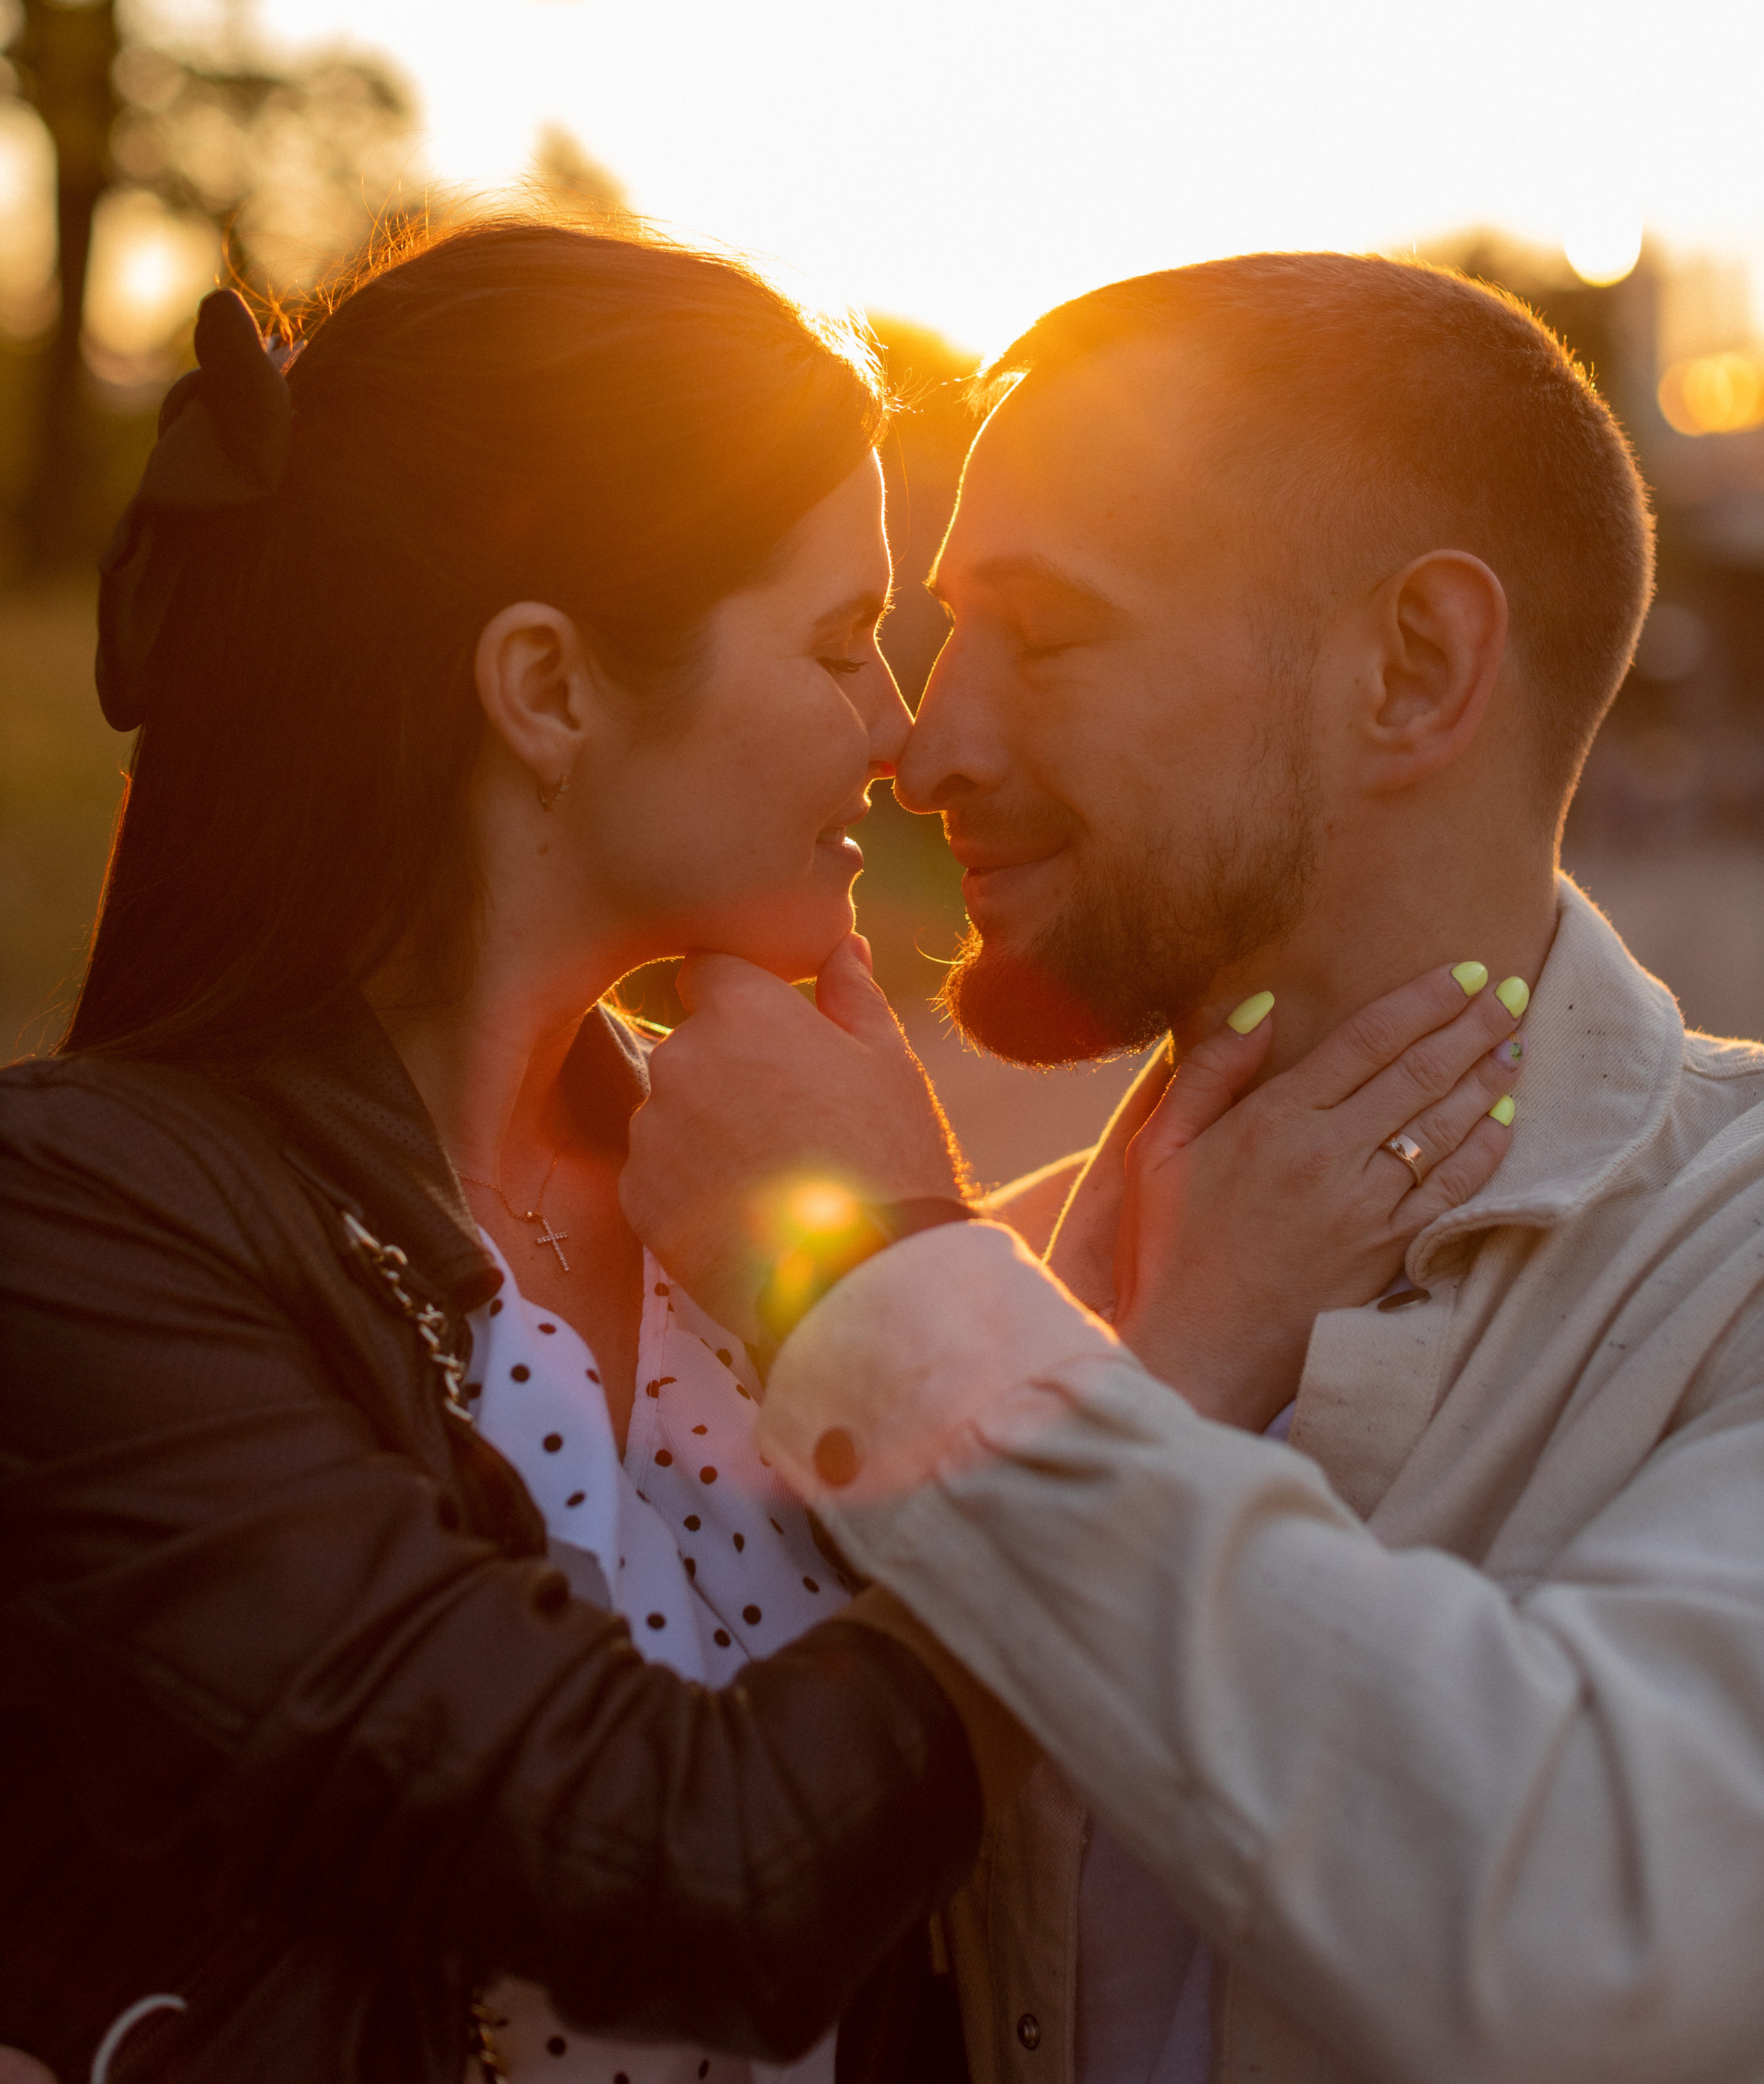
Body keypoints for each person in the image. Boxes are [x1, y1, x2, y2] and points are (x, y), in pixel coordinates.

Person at [0, 228, 1510, 2084]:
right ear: (547, 690)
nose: (901, 735)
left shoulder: (738, 1186)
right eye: (835, 640)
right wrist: (1163, 1383)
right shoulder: (77, 1221)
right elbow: (676, 1865)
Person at [621, 252, 1764, 2084]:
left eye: (1049, 637)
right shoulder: (1030, 1286)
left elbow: (1598, 1947)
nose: (924, 746)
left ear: (1412, 670)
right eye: (930, 642)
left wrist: (885, 1283)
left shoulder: (1736, 1267)